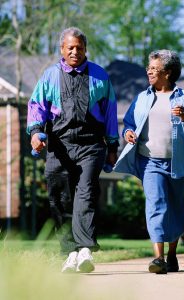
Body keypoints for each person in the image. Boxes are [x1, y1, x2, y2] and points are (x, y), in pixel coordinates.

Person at [27, 27, 119, 273]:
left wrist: (112, 144)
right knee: (59, 197)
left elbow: (110, 112)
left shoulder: (100, 76)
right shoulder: (49, 76)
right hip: (59, 146)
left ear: (85, 49)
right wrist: (35, 132)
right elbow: (37, 106)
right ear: (62, 49)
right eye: (70, 47)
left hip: (91, 145)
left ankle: (85, 249)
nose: (75, 51)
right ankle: (70, 252)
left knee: (85, 193)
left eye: (79, 47)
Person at [114, 49, 184, 274]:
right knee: (156, 204)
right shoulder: (142, 98)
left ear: (167, 72)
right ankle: (158, 259)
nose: (149, 71)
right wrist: (127, 133)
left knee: (177, 208)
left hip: (180, 163)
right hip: (150, 162)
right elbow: (128, 123)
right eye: (149, 68)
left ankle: (172, 254)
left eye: (154, 68)